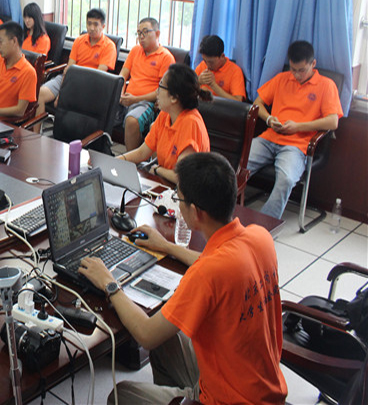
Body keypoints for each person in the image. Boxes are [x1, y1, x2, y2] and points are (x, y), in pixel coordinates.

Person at [79, 152, 287, 404]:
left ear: (196, 212)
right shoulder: (259, 237)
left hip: (227, 400)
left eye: (178, 198)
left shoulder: (207, 274)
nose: (177, 205)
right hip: (260, 387)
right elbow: (220, 262)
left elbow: (146, 335)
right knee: (169, 337)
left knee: (120, 396)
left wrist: (109, 283)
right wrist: (167, 247)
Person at [246, 40, 342, 219]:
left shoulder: (327, 85)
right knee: (237, 165)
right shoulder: (282, 78)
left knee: (287, 179)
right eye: (293, 69)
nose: (297, 75)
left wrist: (298, 127)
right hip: (269, 138)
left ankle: (265, 223)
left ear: (313, 64)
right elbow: (257, 103)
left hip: (297, 146)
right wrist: (269, 119)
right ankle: (222, 211)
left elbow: (333, 121)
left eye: (302, 70)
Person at [119, 64, 210, 185]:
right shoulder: (165, 114)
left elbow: (182, 176)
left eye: (160, 86)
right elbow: (142, 152)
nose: (157, 92)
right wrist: (114, 161)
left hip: (185, 190)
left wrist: (158, 170)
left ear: (174, 98)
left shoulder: (191, 123)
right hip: (165, 182)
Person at [37, 8, 116, 116]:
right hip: (70, 79)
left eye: (95, 24)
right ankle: (37, 127)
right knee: (40, 94)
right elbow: (69, 68)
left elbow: (98, 76)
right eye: (89, 24)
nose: (91, 28)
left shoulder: (109, 46)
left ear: (103, 26)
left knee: (69, 103)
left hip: (90, 85)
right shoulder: (79, 41)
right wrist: (61, 93)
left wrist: (65, 94)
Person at [119, 17, 176, 151]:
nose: (141, 37)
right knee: (100, 107)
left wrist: (135, 99)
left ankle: (132, 161)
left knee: (132, 120)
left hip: (147, 103)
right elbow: (122, 75)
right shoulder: (135, 51)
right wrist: (120, 93)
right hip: (125, 98)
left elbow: (162, 91)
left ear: (157, 34)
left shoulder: (166, 57)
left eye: (145, 32)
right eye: (139, 33)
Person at [194, 35, 247, 101]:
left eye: (211, 62)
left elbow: (238, 101)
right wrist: (198, 81)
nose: (207, 65)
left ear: (222, 56)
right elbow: (186, 90)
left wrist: (214, 86)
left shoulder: (235, 71)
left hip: (221, 107)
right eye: (204, 60)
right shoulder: (202, 65)